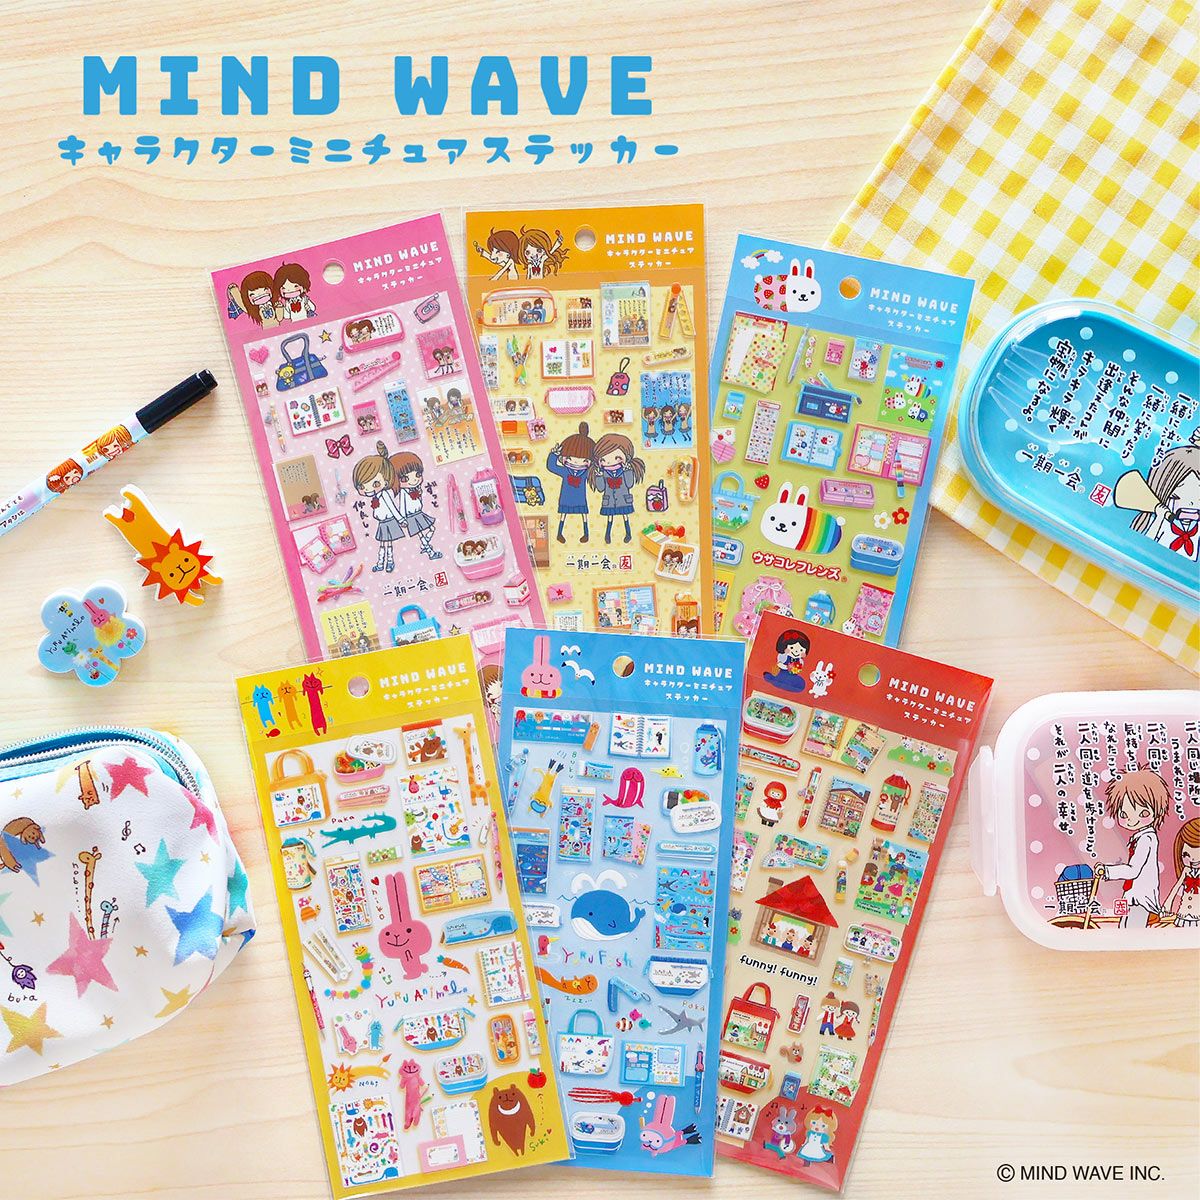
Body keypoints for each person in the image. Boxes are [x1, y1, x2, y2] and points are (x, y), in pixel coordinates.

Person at [1095, 767, 1170, 927]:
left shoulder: (1147, 839)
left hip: (1141, 900)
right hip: (1133, 897)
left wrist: (1107, 871)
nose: (1132, 820)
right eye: (1124, 815)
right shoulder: (1139, 837)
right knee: (1124, 928)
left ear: (1157, 811)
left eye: (1143, 813)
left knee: (1132, 930)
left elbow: (1133, 870)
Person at [588, 433, 645, 544]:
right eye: (604, 459)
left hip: (623, 499)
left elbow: (630, 484)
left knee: (625, 517)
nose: (609, 462)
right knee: (610, 518)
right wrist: (599, 476)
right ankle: (607, 535)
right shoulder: (604, 473)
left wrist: (628, 471)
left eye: (616, 457)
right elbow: (601, 488)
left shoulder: (625, 471)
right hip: (609, 501)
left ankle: (628, 534)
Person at [546, 422, 595, 544]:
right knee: (563, 514)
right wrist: (554, 454)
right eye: (570, 458)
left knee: (584, 515)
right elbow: (551, 466)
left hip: (580, 498)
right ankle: (559, 533)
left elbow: (596, 473)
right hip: (566, 498)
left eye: (583, 460)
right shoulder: (565, 471)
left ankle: (586, 533)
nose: (576, 462)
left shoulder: (585, 473)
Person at [1162, 817, 1200, 927]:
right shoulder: (1186, 870)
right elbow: (1177, 886)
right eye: (1186, 855)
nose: (1193, 859)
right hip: (1185, 911)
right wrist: (1168, 903)